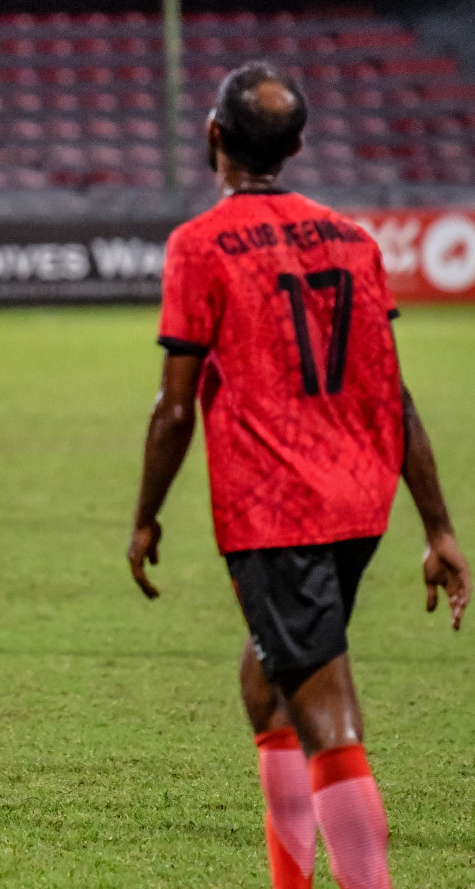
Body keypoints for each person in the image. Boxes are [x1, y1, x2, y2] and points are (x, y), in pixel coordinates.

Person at [126, 62, 469, 889]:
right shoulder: (353, 240)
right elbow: (396, 394)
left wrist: (145, 517)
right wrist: (436, 524)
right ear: (299, 145)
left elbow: (174, 411)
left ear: (213, 136)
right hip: (360, 496)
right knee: (266, 681)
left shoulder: (199, 245)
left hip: (278, 507)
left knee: (326, 711)